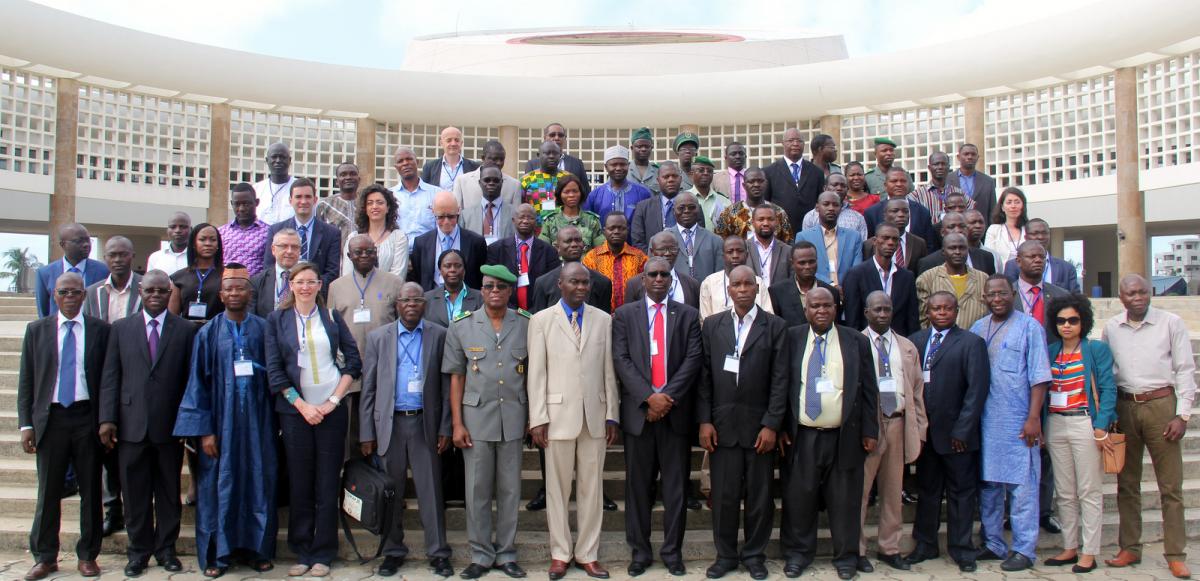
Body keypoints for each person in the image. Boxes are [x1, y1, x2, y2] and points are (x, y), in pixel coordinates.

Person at [174, 266, 279, 578]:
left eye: (240, 288)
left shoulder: (263, 329)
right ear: (220, 295)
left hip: (259, 424)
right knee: (218, 488)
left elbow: (277, 377)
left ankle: (257, 551)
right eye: (229, 289)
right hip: (221, 426)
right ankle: (216, 555)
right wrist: (205, 431)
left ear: (250, 293)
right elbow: (197, 384)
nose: (234, 293)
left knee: (258, 484)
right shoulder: (207, 333)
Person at [264, 261, 362, 577]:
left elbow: (353, 362)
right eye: (300, 282)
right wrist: (303, 406)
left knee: (327, 481)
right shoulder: (276, 320)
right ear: (291, 285)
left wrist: (333, 401)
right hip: (296, 414)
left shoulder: (331, 317)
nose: (305, 287)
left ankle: (323, 551)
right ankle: (302, 549)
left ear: (320, 285)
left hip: (331, 413)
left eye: (311, 281)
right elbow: (275, 371)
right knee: (300, 481)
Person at [99, 270, 197, 577]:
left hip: (169, 428)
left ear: (170, 293)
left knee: (168, 492)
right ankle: (138, 552)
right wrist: (107, 419)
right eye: (150, 290)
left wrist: (187, 423)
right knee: (135, 494)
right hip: (131, 426)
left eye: (161, 291)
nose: (155, 295)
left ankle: (166, 549)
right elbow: (111, 376)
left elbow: (190, 381)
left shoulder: (185, 330)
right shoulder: (121, 329)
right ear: (140, 291)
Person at [527, 263, 620, 580]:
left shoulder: (603, 320)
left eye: (585, 282)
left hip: (595, 416)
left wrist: (612, 414)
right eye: (574, 282)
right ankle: (560, 553)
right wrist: (538, 418)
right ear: (560, 284)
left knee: (592, 489)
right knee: (556, 489)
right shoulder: (541, 321)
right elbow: (536, 374)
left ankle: (588, 554)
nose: (581, 287)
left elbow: (608, 370)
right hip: (556, 417)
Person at [778, 287, 878, 580]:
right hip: (803, 436)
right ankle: (798, 554)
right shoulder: (792, 338)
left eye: (827, 305)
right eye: (815, 306)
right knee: (799, 498)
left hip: (843, 435)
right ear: (805, 310)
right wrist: (780, 426)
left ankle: (846, 557)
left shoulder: (856, 341)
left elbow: (869, 389)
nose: (821, 310)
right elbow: (781, 385)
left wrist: (870, 430)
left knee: (845, 500)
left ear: (836, 308)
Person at [613, 257, 703, 577]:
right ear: (643, 279)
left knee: (676, 489)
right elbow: (621, 359)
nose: (659, 279)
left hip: (675, 415)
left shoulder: (688, 315)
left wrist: (666, 398)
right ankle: (640, 551)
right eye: (653, 274)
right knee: (638, 488)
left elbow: (693, 359)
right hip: (640, 415)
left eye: (665, 274)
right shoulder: (625, 315)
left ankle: (672, 552)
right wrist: (648, 398)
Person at [18, 271, 111, 581]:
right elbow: (27, 381)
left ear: (84, 295)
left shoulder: (100, 330)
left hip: (87, 418)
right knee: (48, 491)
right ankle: (45, 557)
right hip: (51, 419)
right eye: (63, 292)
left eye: (75, 292)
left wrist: (106, 420)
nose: (70, 297)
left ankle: (88, 555)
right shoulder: (37, 330)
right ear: (54, 296)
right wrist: (26, 425)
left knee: (91, 491)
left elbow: (108, 379)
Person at [697, 265, 788, 579]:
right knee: (723, 497)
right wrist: (705, 421)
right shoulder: (712, 325)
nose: (743, 289)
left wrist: (772, 424)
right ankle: (725, 555)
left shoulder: (775, 326)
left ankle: (754, 555)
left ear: (758, 288)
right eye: (737, 284)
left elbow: (781, 379)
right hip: (722, 427)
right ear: (729, 290)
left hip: (759, 428)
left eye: (749, 284)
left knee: (760, 498)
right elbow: (704, 377)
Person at [1102, 274, 1195, 579]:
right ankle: (1129, 547)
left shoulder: (1170, 323)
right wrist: (1109, 412)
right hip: (1125, 407)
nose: (1138, 297)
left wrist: (1182, 416)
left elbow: (1185, 369)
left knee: (1170, 486)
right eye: (1131, 293)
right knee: (1127, 483)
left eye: (1142, 292)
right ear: (1121, 297)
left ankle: (1175, 554)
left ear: (1150, 292)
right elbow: (1107, 372)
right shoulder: (1112, 328)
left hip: (1161, 406)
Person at [359, 282, 454, 578]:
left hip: (425, 423)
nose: (411, 305)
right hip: (390, 425)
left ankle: (438, 552)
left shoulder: (439, 335)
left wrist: (446, 426)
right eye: (405, 300)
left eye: (417, 300)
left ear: (425, 304)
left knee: (431, 492)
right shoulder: (378, 338)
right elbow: (369, 388)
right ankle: (392, 551)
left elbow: (446, 386)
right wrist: (366, 433)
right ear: (397, 305)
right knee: (391, 491)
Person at [443, 265, 530, 580]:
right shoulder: (462, 326)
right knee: (477, 490)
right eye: (489, 286)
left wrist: (533, 418)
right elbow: (456, 377)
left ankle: (506, 553)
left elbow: (534, 374)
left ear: (510, 291)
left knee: (510, 491)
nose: (495, 291)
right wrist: (457, 423)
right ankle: (480, 554)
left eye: (501, 287)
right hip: (476, 419)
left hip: (514, 418)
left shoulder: (525, 323)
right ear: (481, 290)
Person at [969, 276, 1051, 572]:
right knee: (989, 486)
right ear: (984, 297)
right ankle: (993, 543)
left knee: (1022, 487)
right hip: (987, 422)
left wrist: (1033, 418)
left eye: (1002, 293)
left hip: (1019, 420)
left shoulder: (1030, 327)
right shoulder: (978, 328)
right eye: (991, 294)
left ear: (1013, 293)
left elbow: (1040, 376)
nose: (997, 299)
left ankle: (1024, 549)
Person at [904, 291, 989, 573]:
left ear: (956, 310)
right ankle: (925, 544)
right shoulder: (916, 341)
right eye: (936, 308)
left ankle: (961, 548)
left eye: (947, 308)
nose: (941, 313)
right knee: (927, 491)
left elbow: (976, 390)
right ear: (927, 312)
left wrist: (963, 430)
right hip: (926, 435)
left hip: (958, 437)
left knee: (961, 493)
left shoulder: (971, 343)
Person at [1041, 293, 1117, 574]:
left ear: (1083, 321)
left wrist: (1101, 425)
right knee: (1064, 490)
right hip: (1056, 423)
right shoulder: (1051, 351)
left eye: (1073, 320)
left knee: (1089, 490)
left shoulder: (1096, 350)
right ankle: (1070, 546)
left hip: (1085, 423)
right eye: (1061, 321)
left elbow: (1108, 388)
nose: (1066, 325)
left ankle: (1090, 551)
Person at [855, 291, 926, 573]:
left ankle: (889, 548)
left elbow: (917, 391)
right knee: (860, 491)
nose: (882, 314)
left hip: (897, 422)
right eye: (877, 310)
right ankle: (857, 549)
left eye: (887, 309)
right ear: (866, 312)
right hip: (868, 427)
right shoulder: (855, 342)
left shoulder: (906, 346)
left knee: (893, 491)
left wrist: (920, 427)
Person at [82, 236, 140, 537]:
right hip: (102, 375)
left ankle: (133, 510)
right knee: (105, 447)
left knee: (129, 447)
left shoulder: (144, 288)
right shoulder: (92, 293)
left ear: (132, 256)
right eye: (111, 255)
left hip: (135, 375)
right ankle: (111, 508)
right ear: (104, 258)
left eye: (122, 254)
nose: (117, 260)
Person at [327, 234, 405, 455]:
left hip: (384, 364)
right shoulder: (336, 287)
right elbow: (332, 330)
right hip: (351, 368)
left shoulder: (394, 283)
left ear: (376, 253)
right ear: (349, 255)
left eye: (369, 251)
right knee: (353, 427)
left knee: (383, 423)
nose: (364, 255)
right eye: (358, 252)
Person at [262, 178, 342, 292]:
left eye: (308, 197)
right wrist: (288, 287)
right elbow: (269, 268)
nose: (303, 201)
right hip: (283, 292)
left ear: (315, 200)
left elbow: (332, 272)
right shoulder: (276, 230)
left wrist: (309, 287)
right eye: (298, 197)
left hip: (316, 295)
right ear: (290, 200)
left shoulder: (332, 233)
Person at [842, 224, 919, 336]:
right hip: (866, 341)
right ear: (874, 241)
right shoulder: (856, 274)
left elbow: (912, 318)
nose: (890, 242)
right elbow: (852, 318)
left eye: (895, 239)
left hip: (898, 340)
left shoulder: (907, 277)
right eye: (885, 238)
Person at [409, 191, 488, 291]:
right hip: (432, 297)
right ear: (433, 212)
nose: (446, 222)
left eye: (451, 216)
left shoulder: (476, 242)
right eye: (441, 217)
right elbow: (418, 277)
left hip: (466, 297)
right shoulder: (421, 243)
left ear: (458, 211)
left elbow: (480, 277)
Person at [489, 203, 560, 310]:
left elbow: (552, 284)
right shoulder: (496, 249)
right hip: (505, 310)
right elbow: (492, 282)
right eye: (521, 217)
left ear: (536, 222)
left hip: (540, 310)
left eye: (530, 218)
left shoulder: (549, 251)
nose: (525, 221)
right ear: (513, 220)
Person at [532, 226, 613, 315]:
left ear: (583, 245)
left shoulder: (602, 283)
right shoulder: (543, 283)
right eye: (568, 241)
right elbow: (539, 319)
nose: (574, 244)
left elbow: (603, 319)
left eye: (578, 240)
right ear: (557, 247)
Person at [35, 223, 110, 317]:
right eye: (79, 241)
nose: (86, 244)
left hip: (92, 325)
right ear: (63, 244)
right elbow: (43, 313)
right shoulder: (44, 274)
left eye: (88, 240)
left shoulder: (104, 271)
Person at [916, 233, 988, 329]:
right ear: (943, 251)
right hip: (941, 337)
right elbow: (923, 318)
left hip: (975, 336)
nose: (957, 252)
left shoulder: (983, 278)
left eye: (962, 248)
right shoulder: (927, 278)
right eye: (952, 248)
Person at [454, 141, 522, 239]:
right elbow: (457, 213)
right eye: (494, 159)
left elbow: (517, 218)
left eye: (501, 159)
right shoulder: (462, 181)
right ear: (483, 158)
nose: (498, 163)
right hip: (472, 240)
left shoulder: (514, 185)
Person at [794, 191, 863, 287]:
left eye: (835, 205)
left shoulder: (854, 236)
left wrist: (845, 288)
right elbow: (803, 269)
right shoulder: (804, 236)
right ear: (817, 207)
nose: (831, 208)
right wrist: (831, 285)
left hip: (847, 290)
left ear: (841, 208)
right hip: (816, 290)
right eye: (826, 204)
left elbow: (856, 269)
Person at [582, 211, 647, 311]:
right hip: (600, 313)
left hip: (632, 314)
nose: (616, 231)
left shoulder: (639, 257)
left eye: (621, 228)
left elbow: (645, 287)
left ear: (627, 230)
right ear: (604, 231)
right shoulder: (592, 257)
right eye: (611, 228)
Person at [340, 184, 409, 278]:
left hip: (389, 287)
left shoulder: (399, 238)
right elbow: (347, 274)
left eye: (380, 202)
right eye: (370, 203)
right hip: (356, 287)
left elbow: (398, 276)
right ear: (365, 209)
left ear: (388, 207)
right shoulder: (353, 238)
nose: (374, 206)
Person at [767, 242, 840, 327]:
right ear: (792, 263)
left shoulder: (831, 292)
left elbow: (835, 326)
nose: (807, 266)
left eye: (811, 262)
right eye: (802, 263)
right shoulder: (777, 292)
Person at [622, 232, 701, 309]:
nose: (667, 253)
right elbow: (629, 315)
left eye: (672, 249)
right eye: (662, 249)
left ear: (678, 251)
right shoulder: (634, 284)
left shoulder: (692, 284)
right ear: (652, 252)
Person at [702, 236, 774, 320]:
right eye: (730, 252)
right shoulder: (709, 283)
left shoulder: (757, 282)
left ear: (747, 255)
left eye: (739, 251)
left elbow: (768, 316)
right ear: (723, 256)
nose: (735, 256)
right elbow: (705, 319)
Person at [713, 167, 794, 242]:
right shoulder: (730, 213)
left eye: (760, 181)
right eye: (751, 182)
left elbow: (788, 243)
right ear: (744, 185)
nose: (756, 185)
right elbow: (719, 242)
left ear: (766, 183)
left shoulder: (778, 213)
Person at [863, 167, 936, 249]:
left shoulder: (922, 212)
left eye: (903, 181)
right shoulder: (872, 213)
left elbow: (929, 245)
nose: (899, 184)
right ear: (885, 185)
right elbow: (869, 246)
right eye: (894, 181)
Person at [763, 128, 824, 227]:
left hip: (809, 228)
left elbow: (821, 201)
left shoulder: (817, 172)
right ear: (783, 143)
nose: (795, 144)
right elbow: (765, 203)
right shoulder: (768, 172)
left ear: (804, 144)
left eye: (799, 141)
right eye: (791, 140)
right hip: (780, 229)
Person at [1002, 218, 1081, 293]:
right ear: (1026, 237)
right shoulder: (1013, 265)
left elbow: (1076, 298)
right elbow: (1009, 293)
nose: (1040, 237)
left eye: (1044, 233)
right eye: (1035, 233)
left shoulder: (1067, 268)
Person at [168, 223, 225, 323]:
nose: (208, 243)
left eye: (213, 240)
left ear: (218, 245)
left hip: (218, 330)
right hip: (187, 330)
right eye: (202, 239)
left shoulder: (227, 275)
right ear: (194, 244)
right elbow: (172, 318)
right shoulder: (179, 278)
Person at [583, 145, 652, 223]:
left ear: (628, 165)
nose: (618, 168)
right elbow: (587, 224)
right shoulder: (595, 195)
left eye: (622, 164)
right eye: (614, 165)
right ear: (606, 167)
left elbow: (650, 222)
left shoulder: (643, 193)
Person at [631, 161, 692, 250]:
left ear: (681, 179)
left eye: (674, 176)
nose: (671, 180)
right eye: (666, 177)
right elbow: (637, 242)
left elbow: (698, 238)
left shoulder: (693, 206)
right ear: (658, 180)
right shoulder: (643, 208)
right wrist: (654, 257)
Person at [1010, 241, 1069, 329]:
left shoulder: (1062, 296)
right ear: (1018, 261)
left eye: (1042, 257)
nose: (1038, 260)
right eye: (1032, 256)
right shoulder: (1005, 295)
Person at [917, 212, 997, 276]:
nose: (958, 230)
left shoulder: (986, 257)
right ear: (942, 232)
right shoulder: (928, 263)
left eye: (962, 226)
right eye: (951, 227)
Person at [540, 173, 605, 250]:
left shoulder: (592, 221)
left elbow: (601, 250)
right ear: (560, 194)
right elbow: (542, 250)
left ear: (581, 193)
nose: (571, 195)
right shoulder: (550, 221)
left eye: (575, 191)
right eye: (566, 192)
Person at [667, 193, 723, 282]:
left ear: (699, 209)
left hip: (706, 289)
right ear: (674, 210)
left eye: (691, 207)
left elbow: (720, 276)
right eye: (681, 208)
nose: (686, 211)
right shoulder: (662, 240)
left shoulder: (715, 240)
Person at [864, 197, 928, 273]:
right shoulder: (869, 245)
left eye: (905, 211)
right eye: (895, 211)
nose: (901, 215)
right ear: (885, 215)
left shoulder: (919, 243)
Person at [423, 249, 483, 328]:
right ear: (440, 270)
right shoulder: (427, 299)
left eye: (458, 266)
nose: (453, 270)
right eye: (447, 266)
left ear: (464, 270)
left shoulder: (481, 298)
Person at [525, 123, 591, 195]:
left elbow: (585, 192)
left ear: (565, 138)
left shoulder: (577, 163)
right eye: (552, 135)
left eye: (560, 135)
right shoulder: (532, 164)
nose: (557, 138)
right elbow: (527, 190)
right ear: (545, 138)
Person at [220, 183, 270, 276]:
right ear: (231, 204)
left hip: (256, 284)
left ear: (256, 202)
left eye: (246, 204)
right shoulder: (222, 233)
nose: (241, 209)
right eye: (237, 204)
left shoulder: (268, 232)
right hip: (228, 284)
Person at [391, 146, 441, 241]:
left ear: (417, 162)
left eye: (409, 159)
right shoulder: (389, 196)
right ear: (396, 167)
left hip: (428, 248)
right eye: (400, 161)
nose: (405, 163)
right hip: (398, 248)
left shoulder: (437, 194)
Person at [799, 175, 869, 240]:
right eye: (835, 185)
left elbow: (860, 244)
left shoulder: (858, 218)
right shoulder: (811, 216)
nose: (839, 188)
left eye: (843, 186)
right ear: (825, 188)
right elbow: (806, 243)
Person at [907, 151, 969, 224]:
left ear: (949, 167)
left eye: (943, 164)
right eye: (936, 164)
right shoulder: (916, 196)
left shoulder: (960, 194)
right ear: (929, 167)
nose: (940, 167)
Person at [250, 229, 300, 318]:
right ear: (273, 249)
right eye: (284, 246)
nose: (289, 251)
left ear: (300, 250)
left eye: (294, 247)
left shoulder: (310, 281)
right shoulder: (257, 281)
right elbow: (252, 318)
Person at [463, 165, 516, 245]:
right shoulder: (465, 215)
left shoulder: (515, 213)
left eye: (496, 180)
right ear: (480, 183)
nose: (491, 183)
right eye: (487, 180)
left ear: (502, 182)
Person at [746, 205, 794, 288]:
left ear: (776, 222)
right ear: (752, 222)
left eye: (770, 219)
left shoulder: (788, 251)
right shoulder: (743, 249)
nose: (766, 223)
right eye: (761, 219)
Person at [946, 143, 997, 221]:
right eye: (966, 154)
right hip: (955, 225)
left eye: (973, 154)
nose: (970, 157)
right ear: (958, 157)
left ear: (977, 157)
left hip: (980, 226)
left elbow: (993, 210)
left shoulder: (988, 181)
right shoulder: (947, 180)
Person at [315, 162, 361, 248]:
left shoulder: (367, 203)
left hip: (363, 254)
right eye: (343, 175)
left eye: (352, 174)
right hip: (334, 253)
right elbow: (318, 235)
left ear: (359, 179)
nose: (348, 177)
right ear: (336, 181)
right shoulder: (324, 205)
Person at [983, 186, 1029, 268]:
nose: (1013, 206)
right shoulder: (994, 230)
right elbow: (988, 256)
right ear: (1002, 207)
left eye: (1017, 202)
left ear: (1023, 206)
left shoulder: (1029, 229)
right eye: (1009, 202)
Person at [421, 126, 479, 191]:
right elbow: (423, 190)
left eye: (457, 140)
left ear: (461, 143)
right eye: (448, 140)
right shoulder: (430, 167)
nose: (453, 143)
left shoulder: (474, 167)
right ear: (441, 143)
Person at [521, 141, 571, 214]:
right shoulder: (526, 179)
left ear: (560, 155)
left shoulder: (568, 178)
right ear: (538, 155)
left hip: (563, 221)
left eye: (555, 153)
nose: (551, 156)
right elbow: (519, 207)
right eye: (547, 153)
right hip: (535, 221)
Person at [254, 142, 296, 224]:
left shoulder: (300, 188)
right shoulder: (256, 189)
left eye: (282, 157)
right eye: (274, 157)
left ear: (289, 160)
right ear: (267, 160)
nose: (278, 161)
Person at [686, 156, 730, 227]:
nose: (706, 173)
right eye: (701, 170)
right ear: (691, 174)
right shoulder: (683, 199)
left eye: (709, 171)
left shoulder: (724, 201)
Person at [627, 127, 658, 193]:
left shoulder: (658, 172)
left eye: (647, 146)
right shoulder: (623, 170)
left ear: (651, 148)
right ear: (632, 148)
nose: (643, 149)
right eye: (639, 146)